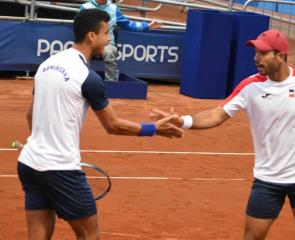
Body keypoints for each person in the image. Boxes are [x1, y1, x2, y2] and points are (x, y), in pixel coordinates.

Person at [151, 30, 295, 240]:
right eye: (255, 53)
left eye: (263, 53)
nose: (256, 58)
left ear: (280, 56)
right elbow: (217, 114)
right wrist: (184, 121)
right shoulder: (249, 86)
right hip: (268, 181)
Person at [17, 9, 183, 240]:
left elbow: (29, 116)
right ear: (91, 36)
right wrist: (154, 128)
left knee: (37, 236)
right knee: (89, 236)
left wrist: (42, 143)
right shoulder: (88, 77)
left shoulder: (46, 65)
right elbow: (112, 125)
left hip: (29, 164)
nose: (109, 39)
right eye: (106, 33)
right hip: (60, 168)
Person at [80, 0, 162, 81]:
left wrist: (147, 25)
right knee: (83, 54)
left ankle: (112, 84)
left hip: (107, 44)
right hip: (89, 43)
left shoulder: (114, 9)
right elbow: (79, 28)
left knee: (109, 52)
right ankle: (82, 80)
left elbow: (128, 25)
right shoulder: (85, 7)